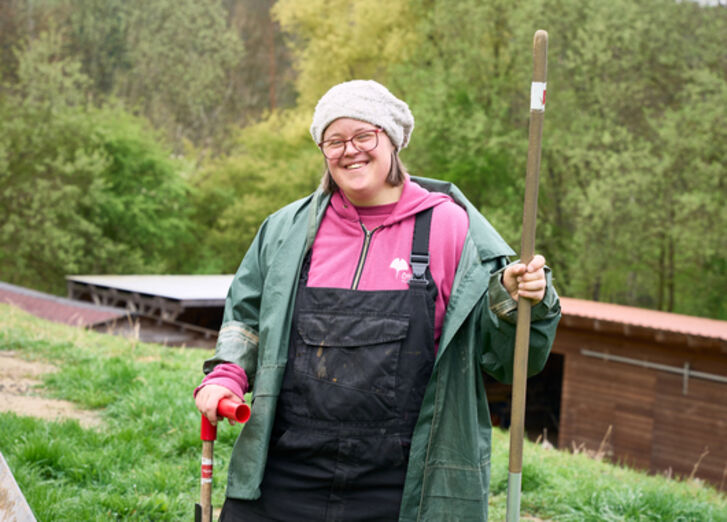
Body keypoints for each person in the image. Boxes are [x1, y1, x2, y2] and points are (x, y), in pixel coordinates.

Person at [194, 79, 561, 521]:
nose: (349, 150)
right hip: (286, 469)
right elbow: (246, 316)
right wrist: (228, 374)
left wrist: (521, 301)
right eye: (334, 140)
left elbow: (508, 358)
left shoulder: (452, 229)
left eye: (363, 135)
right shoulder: (286, 230)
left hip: (403, 483)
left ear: (391, 139)